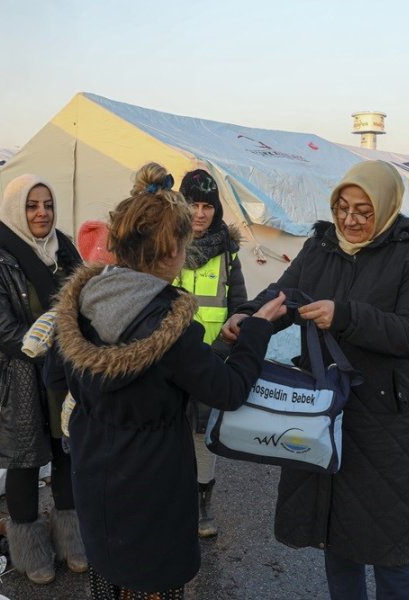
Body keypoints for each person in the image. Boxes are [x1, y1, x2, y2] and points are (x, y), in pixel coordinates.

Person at [48, 165, 287, 599]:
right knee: (154, 581)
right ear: (174, 249)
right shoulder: (170, 327)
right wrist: (256, 330)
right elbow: (228, 390)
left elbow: (53, 373)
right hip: (152, 482)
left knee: (108, 575)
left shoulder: (82, 301)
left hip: (94, 470)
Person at [221, 160, 409, 599]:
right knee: (335, 533)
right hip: (322, 410)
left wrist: (346, 316)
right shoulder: (320, 247)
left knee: (391, 545)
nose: (350, 220)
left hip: (382, 420)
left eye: (363, 211)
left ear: (387, 207)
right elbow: (283, 295)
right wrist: (248, 317)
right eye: (342, 208)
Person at [0, 174, 86, 584]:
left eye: (47, 205)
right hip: (19, 379)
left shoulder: (66, 252)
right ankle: (31, 552)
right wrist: (64, 340)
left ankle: (72, 541)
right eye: (32, 205)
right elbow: (3, 332)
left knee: (67, 454)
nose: (42, 213)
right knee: (25, 463)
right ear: (16, 208)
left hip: (63, 376)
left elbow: (85, 307)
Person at [170, 168, 247, 538]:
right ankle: (173, 503)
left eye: (207, 206)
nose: (200, 214)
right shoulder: (166, 246)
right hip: (168, 360)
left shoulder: (228, 255)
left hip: (211, 361)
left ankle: (202, 508)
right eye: (193, 205)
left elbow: (239, 308)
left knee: (203, 436)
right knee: (169, 434)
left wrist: (223, 348)